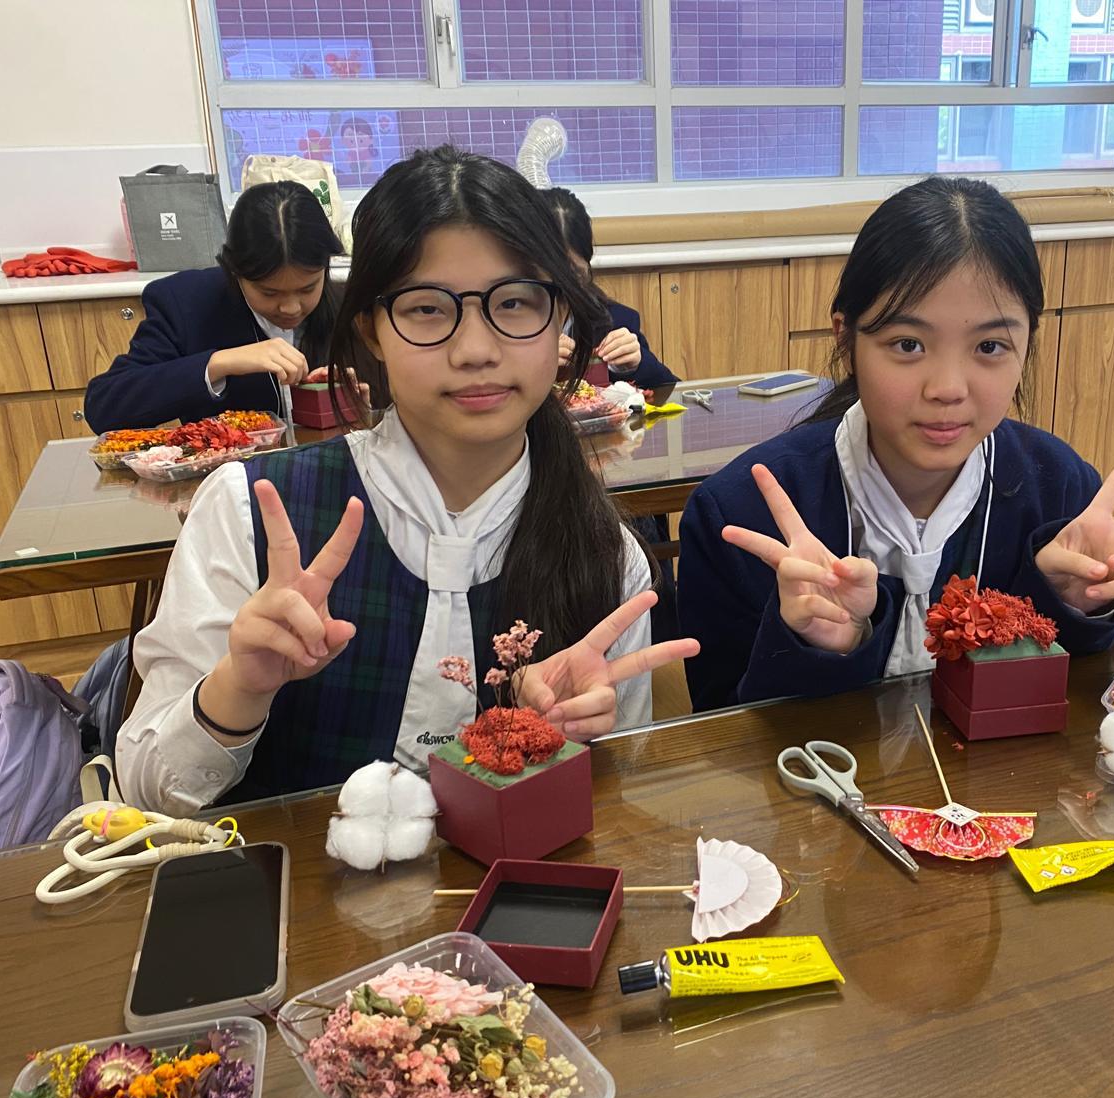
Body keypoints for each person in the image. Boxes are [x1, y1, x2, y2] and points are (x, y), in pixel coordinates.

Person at [117, 146, 698, 812]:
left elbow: (615, 804)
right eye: (427, 309)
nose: (476, 349)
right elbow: (147, 793)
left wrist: (571, 745)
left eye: (515, 302)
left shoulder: (604, 555)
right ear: (371, 329)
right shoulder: (250, 513)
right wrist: (239, 689)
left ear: (559, 316)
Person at [677, 176, 1114, 712]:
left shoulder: (1061, 491)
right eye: (908, 344)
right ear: (846, 337)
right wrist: (817, 647)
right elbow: (715, 727)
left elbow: (1079, 704)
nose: (948, 389)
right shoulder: (737, 515)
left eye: (990, 346)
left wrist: (1074, 606)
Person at [84, 180, 343, 431]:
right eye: (269, 292)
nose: (291, 308)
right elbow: (103, 407)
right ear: (234, 271)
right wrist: (217, 364)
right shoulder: (186, 303)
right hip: (233, 462)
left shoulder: (346, 303)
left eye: (307, 289)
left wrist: (352, 394)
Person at [541, 186, 678, 389]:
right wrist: (532, 366)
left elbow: (669, 389)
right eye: (551, 272)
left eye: (574, 273)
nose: (564, 285)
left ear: (587, 264)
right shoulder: (506, 324)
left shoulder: (613, 320)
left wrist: (633, 366)